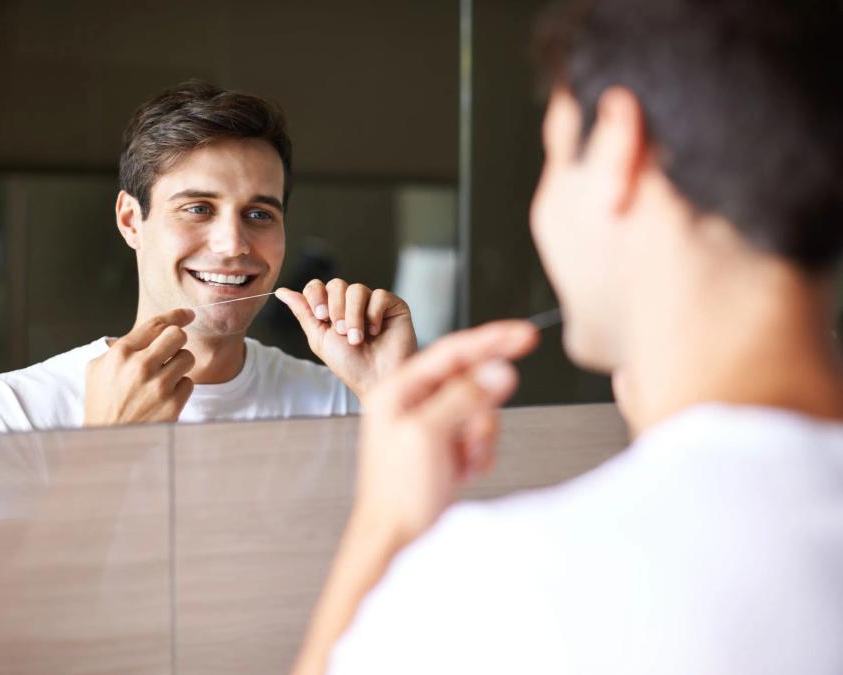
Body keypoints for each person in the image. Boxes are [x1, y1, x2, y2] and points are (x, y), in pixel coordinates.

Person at [293, 0, 843, 673]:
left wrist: (385, 524)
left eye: (551, 155)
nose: (539, 211)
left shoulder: (506, 592)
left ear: (618, 144)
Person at [0, 81, 417, 434]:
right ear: (130, 220)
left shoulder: (341, 402)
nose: (233, 244)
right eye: (198, 209)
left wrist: (392, 393)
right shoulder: (16, 411)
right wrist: (104, 450)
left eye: (259, 213)